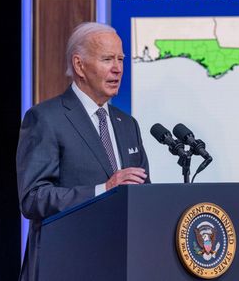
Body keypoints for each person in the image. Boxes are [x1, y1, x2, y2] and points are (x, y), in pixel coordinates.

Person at [16, 22, 150, 281]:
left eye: (120, 59)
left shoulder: (128, 124)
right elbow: (33, 198)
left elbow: (143, 195)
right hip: (65, 265)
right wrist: (103, 190)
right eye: (107, 59)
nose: (118, 69)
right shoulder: (46, 118)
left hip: (121, 265)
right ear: (79, 66)